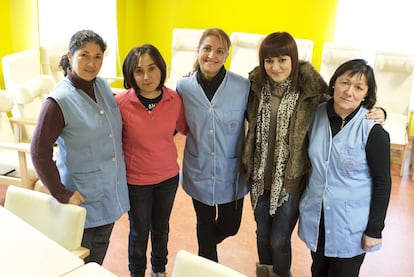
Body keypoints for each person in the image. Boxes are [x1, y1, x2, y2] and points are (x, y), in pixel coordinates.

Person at [240, 32, 386, 277]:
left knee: (278, 240)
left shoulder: (309, 91)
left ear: (294, 60)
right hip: (259, 179)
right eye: (269, 61)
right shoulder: (254, 87)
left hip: (291, 182)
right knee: (262, 234)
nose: (275, 67)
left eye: (283, 60)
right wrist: (196, 74)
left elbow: (345, 104)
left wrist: (379, 111)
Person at [30, 30, 130, 265]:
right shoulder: (58, 102)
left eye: (98, 56)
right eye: (84, 55)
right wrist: (60, 192)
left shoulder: (102, 86)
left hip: (109, 188)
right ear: (70, 55)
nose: (92, 63)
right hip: (82, 195)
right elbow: (39, 152)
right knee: (80, 259)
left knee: (99, 252)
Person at [298, 59, 391, 277]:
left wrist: (374, 229)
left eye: (358, 87)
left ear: (366, 94)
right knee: (317, 271)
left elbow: (383, 183)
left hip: (351, 226)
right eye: (344, 83)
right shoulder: (313, 116)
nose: (349, 92)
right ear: (334, 84)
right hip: (317, 218)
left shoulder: (373, 131)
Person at [176, 27, 250, 262]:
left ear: (227, 55)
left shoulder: (243, 87)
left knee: (230, 226)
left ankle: (206, 246)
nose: (212, 56)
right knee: (204, 221)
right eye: (207, 49)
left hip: (232, 172)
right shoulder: (183, 86)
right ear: (198, 50)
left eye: (220, 51)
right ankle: (206, 263)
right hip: (199, 168)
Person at [115, 44, 187, 277]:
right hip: (136, 181)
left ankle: (159, 270)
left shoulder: (175, 99)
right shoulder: (120, 103)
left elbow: (181, 129)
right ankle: (137, 273)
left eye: (152, 68)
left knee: (161, 229)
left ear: (161, 69)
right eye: (138, 71)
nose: (146, 77)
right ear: (130, 74)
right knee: (139, 231)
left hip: (168, 177)